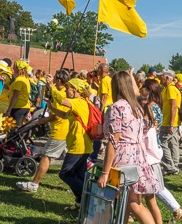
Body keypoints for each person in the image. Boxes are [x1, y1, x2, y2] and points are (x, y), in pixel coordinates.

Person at [79, 71, 169, 224]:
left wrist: (105, 171)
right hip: (138, 157)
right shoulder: (136, 108)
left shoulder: (115, 108)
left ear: (115, 87)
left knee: (104, 200)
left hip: (121, 158)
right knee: (136, 204)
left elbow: (113, 141)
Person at [139, 80, 182, 224]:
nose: (140, 89)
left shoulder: (150, 108)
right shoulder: (155, 106)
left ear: (149, 90)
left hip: (151, 150)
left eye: (143, 87)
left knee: (157, 186)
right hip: (153, 148)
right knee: (149, 186)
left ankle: (177, 210)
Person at [17, 69, 71, 192]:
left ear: (58, 80)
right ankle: (77, 185)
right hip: (66, 130)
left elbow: (58, 115)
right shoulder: (63, 92)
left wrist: (44, 121)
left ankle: (34, 183)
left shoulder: (60, 93)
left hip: (60, 130)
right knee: (71, 158)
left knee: (46, 156)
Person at [48, 77, 93, 211]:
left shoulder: (79, 102)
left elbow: (62, 101)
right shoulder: (79, 104)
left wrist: (51, 87)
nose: (66, 91)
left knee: (65, 173)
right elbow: (64, 115)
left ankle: (89, 198)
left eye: (68, 88)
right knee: (80, 175)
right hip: (82, 145)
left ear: (75, 90)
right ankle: (81, 204)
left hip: (79, 146)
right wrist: (51, 107)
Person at [158, 69, 182, 176]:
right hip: (172, 121)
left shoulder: (171, 89)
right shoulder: (167, 89)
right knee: (173, 144)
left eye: (161, 76)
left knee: (162, 143)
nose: (159, 78)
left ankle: (169, 167)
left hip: (169, 121)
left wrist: (170, 124)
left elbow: (174, 106)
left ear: (167, 78)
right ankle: (174, 166)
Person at [88, 63, 112, 166]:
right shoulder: (110, 80)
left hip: (105, 108)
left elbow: (104, 97)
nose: (96, 71)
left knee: (98, 132)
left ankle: (93, 156)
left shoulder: (104, 81)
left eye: (98, 69)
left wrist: (100, 111)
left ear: (102, 70)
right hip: (111, 107)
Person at [3, 60, 32, 127]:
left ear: (18, 69)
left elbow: (15, 95)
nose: (13, 68)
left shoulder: (19, 80)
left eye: (14, 67)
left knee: (14, 129)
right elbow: (13, 89)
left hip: (18, 107)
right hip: (25, 107)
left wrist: (9, 110)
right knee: (20, 129)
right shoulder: (25, 79)